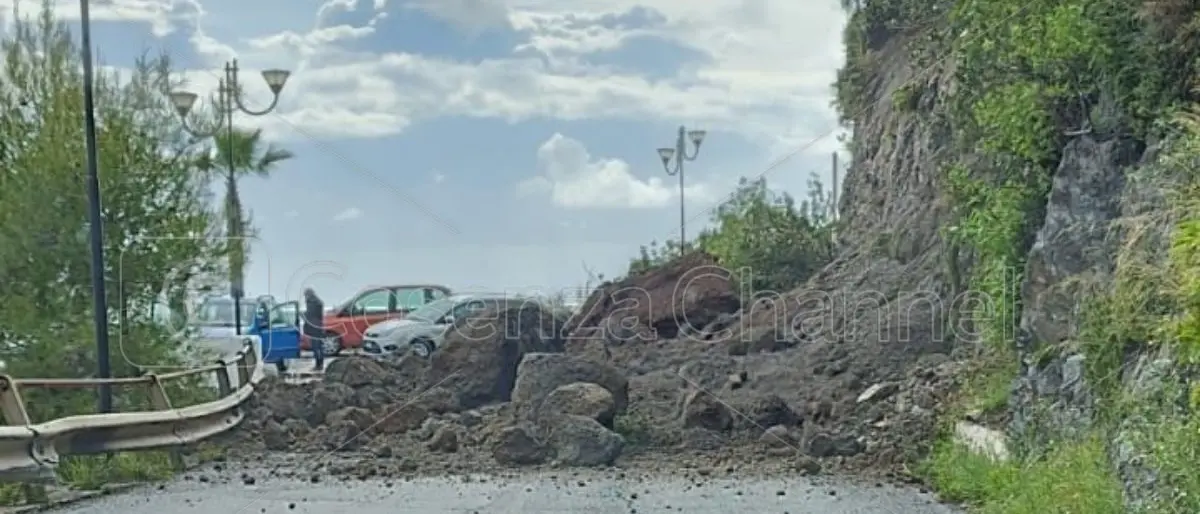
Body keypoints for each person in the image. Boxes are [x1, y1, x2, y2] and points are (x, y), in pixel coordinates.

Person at [303, 288, 326, 371]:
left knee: (316, 347)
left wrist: (302, 315)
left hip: (314, 328)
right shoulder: (317, 302)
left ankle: (318, 365)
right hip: (318, 326)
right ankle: (320, 364)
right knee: (319, 347)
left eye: (305, 295)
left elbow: (310, 315)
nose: (305, 297)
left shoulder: (312, 303)